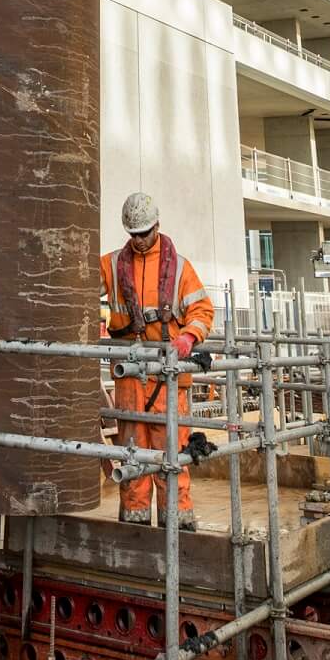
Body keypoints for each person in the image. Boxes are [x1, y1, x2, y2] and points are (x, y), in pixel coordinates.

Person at [100, 191, 215, 530]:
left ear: (157, 226)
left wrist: (188, 336)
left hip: (167, 377)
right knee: (133, 454)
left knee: (171, 456)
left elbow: (203, 310)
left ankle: (177, 525)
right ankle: (135, 526)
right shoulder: (111, 265)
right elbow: (75, 282)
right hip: (130, 377)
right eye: (134, 234)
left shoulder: (180, 268)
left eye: (145, 233)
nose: (139, 241)